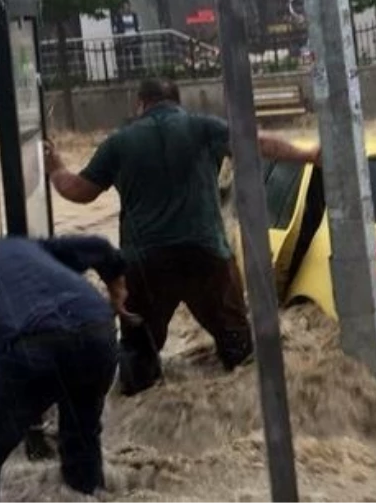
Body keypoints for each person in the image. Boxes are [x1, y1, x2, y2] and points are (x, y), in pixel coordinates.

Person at [43, 79, 320, 396]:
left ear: (140, 104)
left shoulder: (118, 142)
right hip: (207, 255)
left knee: (139, 357)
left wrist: (55, 167)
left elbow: (78, 191)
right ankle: (245, 409)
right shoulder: (202, 128)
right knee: (239, 352)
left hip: (144, 264)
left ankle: (142, 407)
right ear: (177, 102)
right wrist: (308, 154)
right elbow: (257, 143)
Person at [0, 234, 132, 502]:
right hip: (97, 331)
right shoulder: (12, 247)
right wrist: (117, 289)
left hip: (32, 348)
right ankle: (89, 493)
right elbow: (99, 248)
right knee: (81, 444)